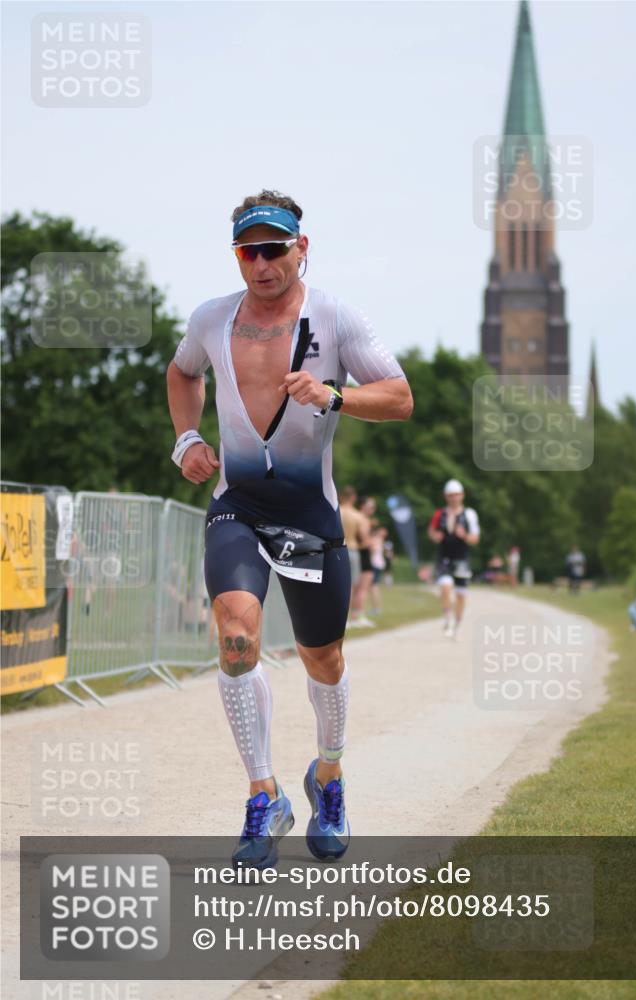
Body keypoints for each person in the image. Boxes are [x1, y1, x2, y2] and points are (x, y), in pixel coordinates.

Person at [166, 190, 413, 867]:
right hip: (238, 502)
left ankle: (327, 777)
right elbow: (181, 372)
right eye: (251, 250)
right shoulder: (213, 319)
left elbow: (399, 396)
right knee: (238, 636)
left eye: (276, 248)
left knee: (322, 660)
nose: (263, 262)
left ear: (303, 248)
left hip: (310, 512)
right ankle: (263, 793)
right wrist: (186, 437)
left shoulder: (335, 317)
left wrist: (337, 395)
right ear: (237, 256)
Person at [428, 479, 480, 638]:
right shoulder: (440, 513)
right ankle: (447, 617)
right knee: (444, 587)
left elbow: (475, 539)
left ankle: (457, 624)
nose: (454, 498)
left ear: (462, 495)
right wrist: (435, 536)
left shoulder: (469, 514)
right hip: (444, 557)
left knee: (461, 595)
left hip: (461, 559)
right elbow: (431, 531)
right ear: (446, 496)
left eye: (456, 495)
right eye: (451, 495)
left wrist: (464, 535)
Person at [349, 496, 376, 627]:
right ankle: (359, 616)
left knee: (356, 589)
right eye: (370, 506)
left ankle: (354, 616)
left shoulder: (357, 518)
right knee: (362, 589)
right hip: (363, 555)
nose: (372, 509)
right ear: (363, 506)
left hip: (358, 554)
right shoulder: (362, 519)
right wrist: (372, 542)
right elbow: (365, 541)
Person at [338, 485, 364, 619]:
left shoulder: (336, 512)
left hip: (338, 549)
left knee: (337, 584)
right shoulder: (358, 515)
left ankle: (339, 615)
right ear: (353, 498)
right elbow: (364, 538)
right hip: (353, 548)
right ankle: (350, 616)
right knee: (353, 585)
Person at [368, 526, 388, 616]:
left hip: (374, 564)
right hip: (379, 564)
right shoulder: (380, 540)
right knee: (374, 586)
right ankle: (376, 608)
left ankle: (376, 608)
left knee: (374, 587)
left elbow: (373, 550)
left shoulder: (375, 539)